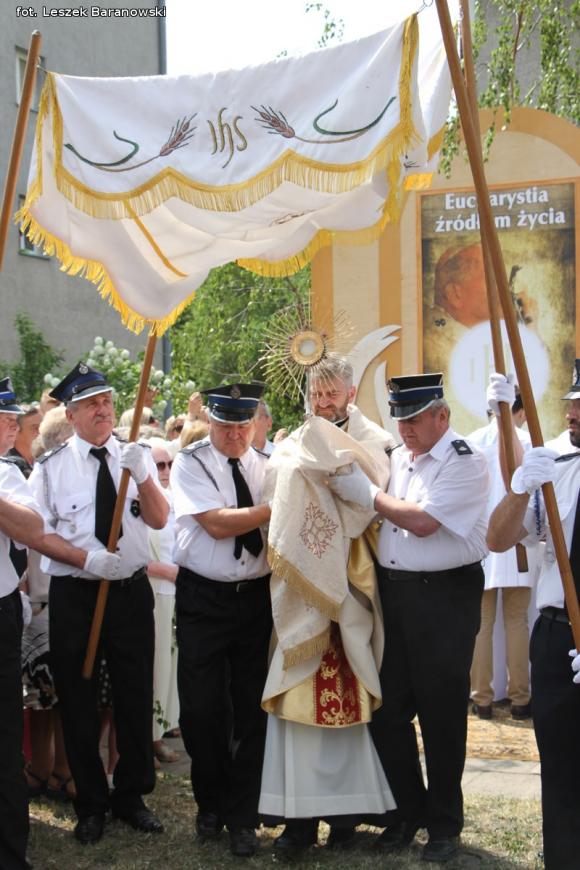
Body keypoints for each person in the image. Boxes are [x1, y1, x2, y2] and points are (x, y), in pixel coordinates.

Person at [330, 373, 489, 863]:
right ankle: (406, 810)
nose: (405, 429)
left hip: (444, 597)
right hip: (396, 596)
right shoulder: (400, 456)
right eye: (399, 419)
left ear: (443, 416)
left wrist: (369, 495)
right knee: (387, 709)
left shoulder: (465, 460)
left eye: (415, 419)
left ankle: (444, 825)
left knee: (441, 715)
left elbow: (422, 523)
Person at [260, 355, 397, 857]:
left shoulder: (375, 439)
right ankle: (297, 822)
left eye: (331, 394)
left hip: (349, 589)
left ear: (350, 392)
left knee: (353, 700)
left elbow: (376, 497)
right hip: (302, 596)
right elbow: (277, 495)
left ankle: (346, 817)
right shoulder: (289, 443)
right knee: (297, 701)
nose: (322, 402)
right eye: (315, 395)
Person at [28, 362, 169, 846]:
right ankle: (90, 801)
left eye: (107, 401)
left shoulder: (136, 455)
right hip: (78, 595)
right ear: (71, 413)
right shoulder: (51, 467)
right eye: (92, 403)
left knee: (133, 695)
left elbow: (158, 517)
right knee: (80, 697)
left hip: (129, 592)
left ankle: (131, 795)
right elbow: (38, 534)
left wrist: (143, 475)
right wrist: (86, 560)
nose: (104, 410)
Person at [170, 383, 272, 858]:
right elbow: (217, 522)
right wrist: (277, 509)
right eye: (225, 425)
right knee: (201, 708)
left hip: (254, 598)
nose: (234, 435)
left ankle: (242, 815)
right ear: (210, 422)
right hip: (204, 599)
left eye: (242, 426)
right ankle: (209, 801)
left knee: (251, 711)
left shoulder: (268, 467)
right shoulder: (191, 463)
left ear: (254, 424)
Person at [487, 361, 580, 870]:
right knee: (560, 768)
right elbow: (498, 539)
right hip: (556, 637)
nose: (572, 413)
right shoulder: (556, 464)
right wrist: (521, 484)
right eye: (572, 403)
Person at [468, 376, 536, 720]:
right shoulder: (527, 440)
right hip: (514, 540)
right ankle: (520, 698)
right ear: (518, 409)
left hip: (486, 542)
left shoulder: (472, 441)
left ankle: (481, 698)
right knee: (516, 621)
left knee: (482, 623)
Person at [0, 377, 44, 870]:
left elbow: (32, 529)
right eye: (6, 420)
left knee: (4, 739)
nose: (13, 427)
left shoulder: (8, 474)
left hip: (0, 614)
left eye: (14, 420)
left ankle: (10, 854)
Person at [147, 438, 180, 765]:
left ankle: (161, 731)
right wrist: (165, 571)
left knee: (169, 667)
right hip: (151, 591)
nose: (166, 471)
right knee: (154, 667)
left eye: (169, 464)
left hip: (173, 593)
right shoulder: (139, 500)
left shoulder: (175, 498)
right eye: (158, 465)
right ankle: (149, 738)